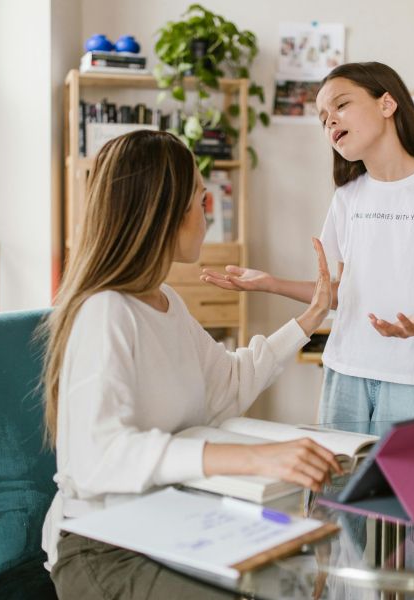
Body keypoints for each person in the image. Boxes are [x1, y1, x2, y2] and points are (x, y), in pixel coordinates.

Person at [40, 130, 342, 599]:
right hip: (104, 545)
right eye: (201, 201)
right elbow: (97, 455)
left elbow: (229, 384)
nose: (208, 216)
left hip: (168, 520)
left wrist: (311, 317)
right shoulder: (105, 311)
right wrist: (251, 457)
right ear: (166, 215)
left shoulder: (166, 304)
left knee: (294, 578)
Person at [202, 61, 414, 428]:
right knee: (336, 486)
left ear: (387, 105)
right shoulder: (348, 197)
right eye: (323, 116)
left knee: (406, 487)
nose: (330, 121)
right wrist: (270, 284)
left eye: (340, 105)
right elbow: (345, 293)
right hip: (346, 371)